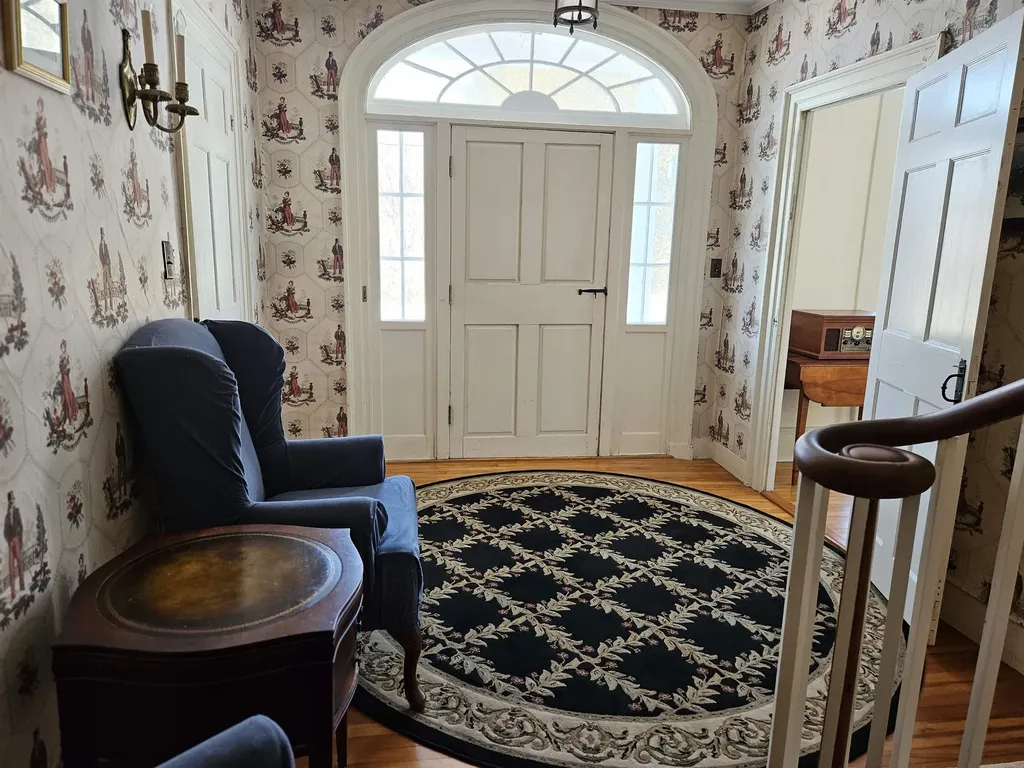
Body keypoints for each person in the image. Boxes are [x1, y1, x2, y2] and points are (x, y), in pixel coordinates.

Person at [4, 491, 24, 600]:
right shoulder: (7, 516)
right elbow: (4, 532)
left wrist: (20, 542)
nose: (12, 502)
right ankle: (13, 593)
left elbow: (21, 526)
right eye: (10, 501)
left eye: (13, 500)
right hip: (10, 543)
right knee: (11, 568)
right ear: (8, 502)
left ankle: (22, 584)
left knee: (20, 563)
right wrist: (9, 541)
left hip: (17, 540)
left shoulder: (17, 512)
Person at [35, 99, 56, 193]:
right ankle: (42, 183)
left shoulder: (43, 117)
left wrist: (42, 133)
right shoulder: (37, 116)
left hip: (42, 140)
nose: (39, 107)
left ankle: (47, 184)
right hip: (39, 139)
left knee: (44, 161)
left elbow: (45, 130)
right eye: (38, 105)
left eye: (40, 105)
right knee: (40, 162)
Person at [59, 339, 78, 425]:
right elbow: (60, 368)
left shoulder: (67, 356)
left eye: (64, 347)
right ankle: (67, 417)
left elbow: (69, 368)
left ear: (65, 347)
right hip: (63, 377)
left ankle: (71, 416)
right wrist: (62, 370)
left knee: (69, 395)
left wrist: (65, 370)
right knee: (65, 396)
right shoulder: (60, 357)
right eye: (62, 347)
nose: (63, 349)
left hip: (66, 377)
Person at [82, 9, 95, 103]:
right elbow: (83, 40)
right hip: (86, 52)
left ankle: (93, 95)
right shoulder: (83, 31)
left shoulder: (88, 32)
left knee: (91, 75)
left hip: (89, 53)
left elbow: (91, 45)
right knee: (87, 75)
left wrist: (91, 54)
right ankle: (87, 95)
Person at [98, 227, 112, 311]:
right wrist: (103, 265)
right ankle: (106, 307)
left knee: (109, 286)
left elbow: (109, 258)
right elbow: (100, 255)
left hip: (107, 266)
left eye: (103, 235)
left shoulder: (105, 246)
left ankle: (111, 305)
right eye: (101, 235)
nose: (102, 237)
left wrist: (109, 269)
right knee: (105, 286)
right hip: (104, 267)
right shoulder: (100, 246)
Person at [115, 422, 127, 497]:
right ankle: (120, 494)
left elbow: (124, 449)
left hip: (122, 457)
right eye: (118, 429)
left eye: (119, 428)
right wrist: (118, 456)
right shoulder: (117, 439)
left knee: (124, 476)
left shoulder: (121, 438)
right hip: (119, 458)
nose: (118, 430)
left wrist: (124, 460)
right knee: (119, 476)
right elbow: (116, 450)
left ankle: (125, 492)